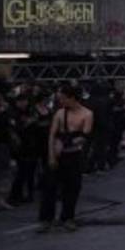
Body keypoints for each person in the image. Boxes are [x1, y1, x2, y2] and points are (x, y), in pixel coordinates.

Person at [38, 85, 92, 233]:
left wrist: (67, 142)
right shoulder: (60, 114)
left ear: (72, 98)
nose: (60, 101)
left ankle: (67, 218)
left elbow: (84, 137)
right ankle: (46, 219)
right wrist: (51, 156)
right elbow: (52, 135)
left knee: (72, 188)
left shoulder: (87, 114)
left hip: (73, 155)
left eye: (63, 98)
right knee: (49, 188)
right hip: (57, 154)